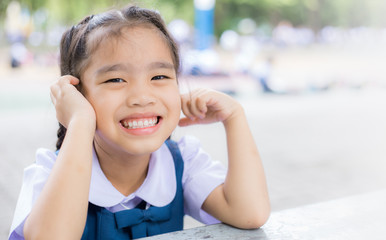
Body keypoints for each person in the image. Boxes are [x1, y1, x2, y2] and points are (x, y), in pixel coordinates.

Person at [9, 5, 270, 240]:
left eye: (159, 76)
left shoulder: (182, 163)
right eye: (116, 80)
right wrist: (79, 122)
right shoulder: (50, 172)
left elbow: (250, 214)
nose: (142, 97)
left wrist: (234, 118)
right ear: (77, 95)